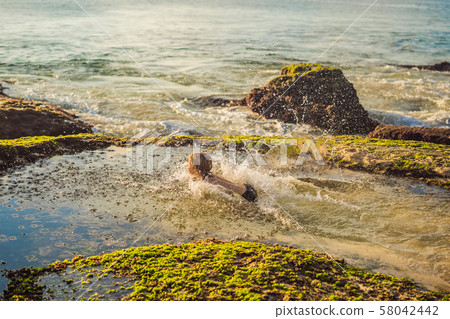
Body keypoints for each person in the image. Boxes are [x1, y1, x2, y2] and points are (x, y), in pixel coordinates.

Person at [187, 152, 258, 202]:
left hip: (247, 194)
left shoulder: (206, 182)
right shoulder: (211, 175)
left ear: (195, 167)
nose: (187, 166)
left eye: (189, 164)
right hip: (247, 187)